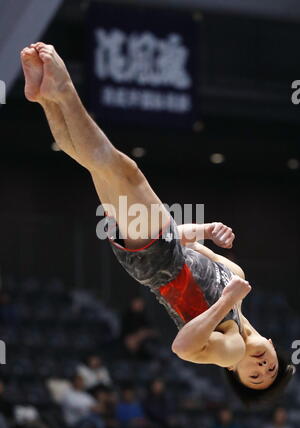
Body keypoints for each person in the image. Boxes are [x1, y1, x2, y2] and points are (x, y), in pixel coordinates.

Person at [20, 42, 295, 408]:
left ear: (234, 372)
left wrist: (226, 300)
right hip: (162, 247)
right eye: (271, 371)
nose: (262, 368)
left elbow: (181, 347)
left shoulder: (230, 348)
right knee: (101, 166)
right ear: (276, 350)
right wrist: (208, 229)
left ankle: (63, 91)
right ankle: (45, 98)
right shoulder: (236, 275)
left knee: (121, 169)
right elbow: (186, 242)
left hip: (155, 261)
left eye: (253, 377)